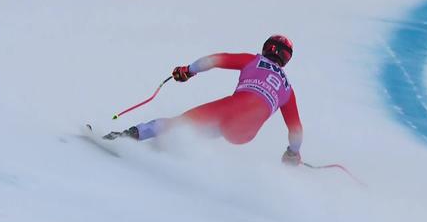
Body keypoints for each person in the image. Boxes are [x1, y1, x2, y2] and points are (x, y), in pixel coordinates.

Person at [104, 35, 303, 166]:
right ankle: (167, 150)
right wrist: (292, 154)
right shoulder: (287, 89)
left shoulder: (254, 60)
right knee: (202, 131)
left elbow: (214, 60)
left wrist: (187, 71)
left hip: (232, 108)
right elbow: (296, 131)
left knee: (181, 123)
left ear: (267, 47)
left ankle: (126, 136)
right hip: (245, 134)